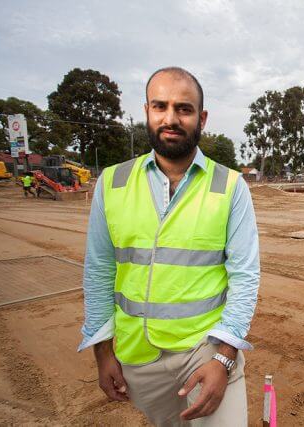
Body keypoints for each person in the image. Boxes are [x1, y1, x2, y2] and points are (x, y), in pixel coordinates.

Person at [79, 66, 260, 426]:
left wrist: (224, 358)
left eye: (184, 108)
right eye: (160, 106)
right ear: (146, 111)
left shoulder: (230, 186)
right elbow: (99, 270)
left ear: (202, 118)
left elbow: (245, 277)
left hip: (205, 349)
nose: (171, 118)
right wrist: (102, 352)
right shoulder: (111, 183)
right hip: (137, 357)